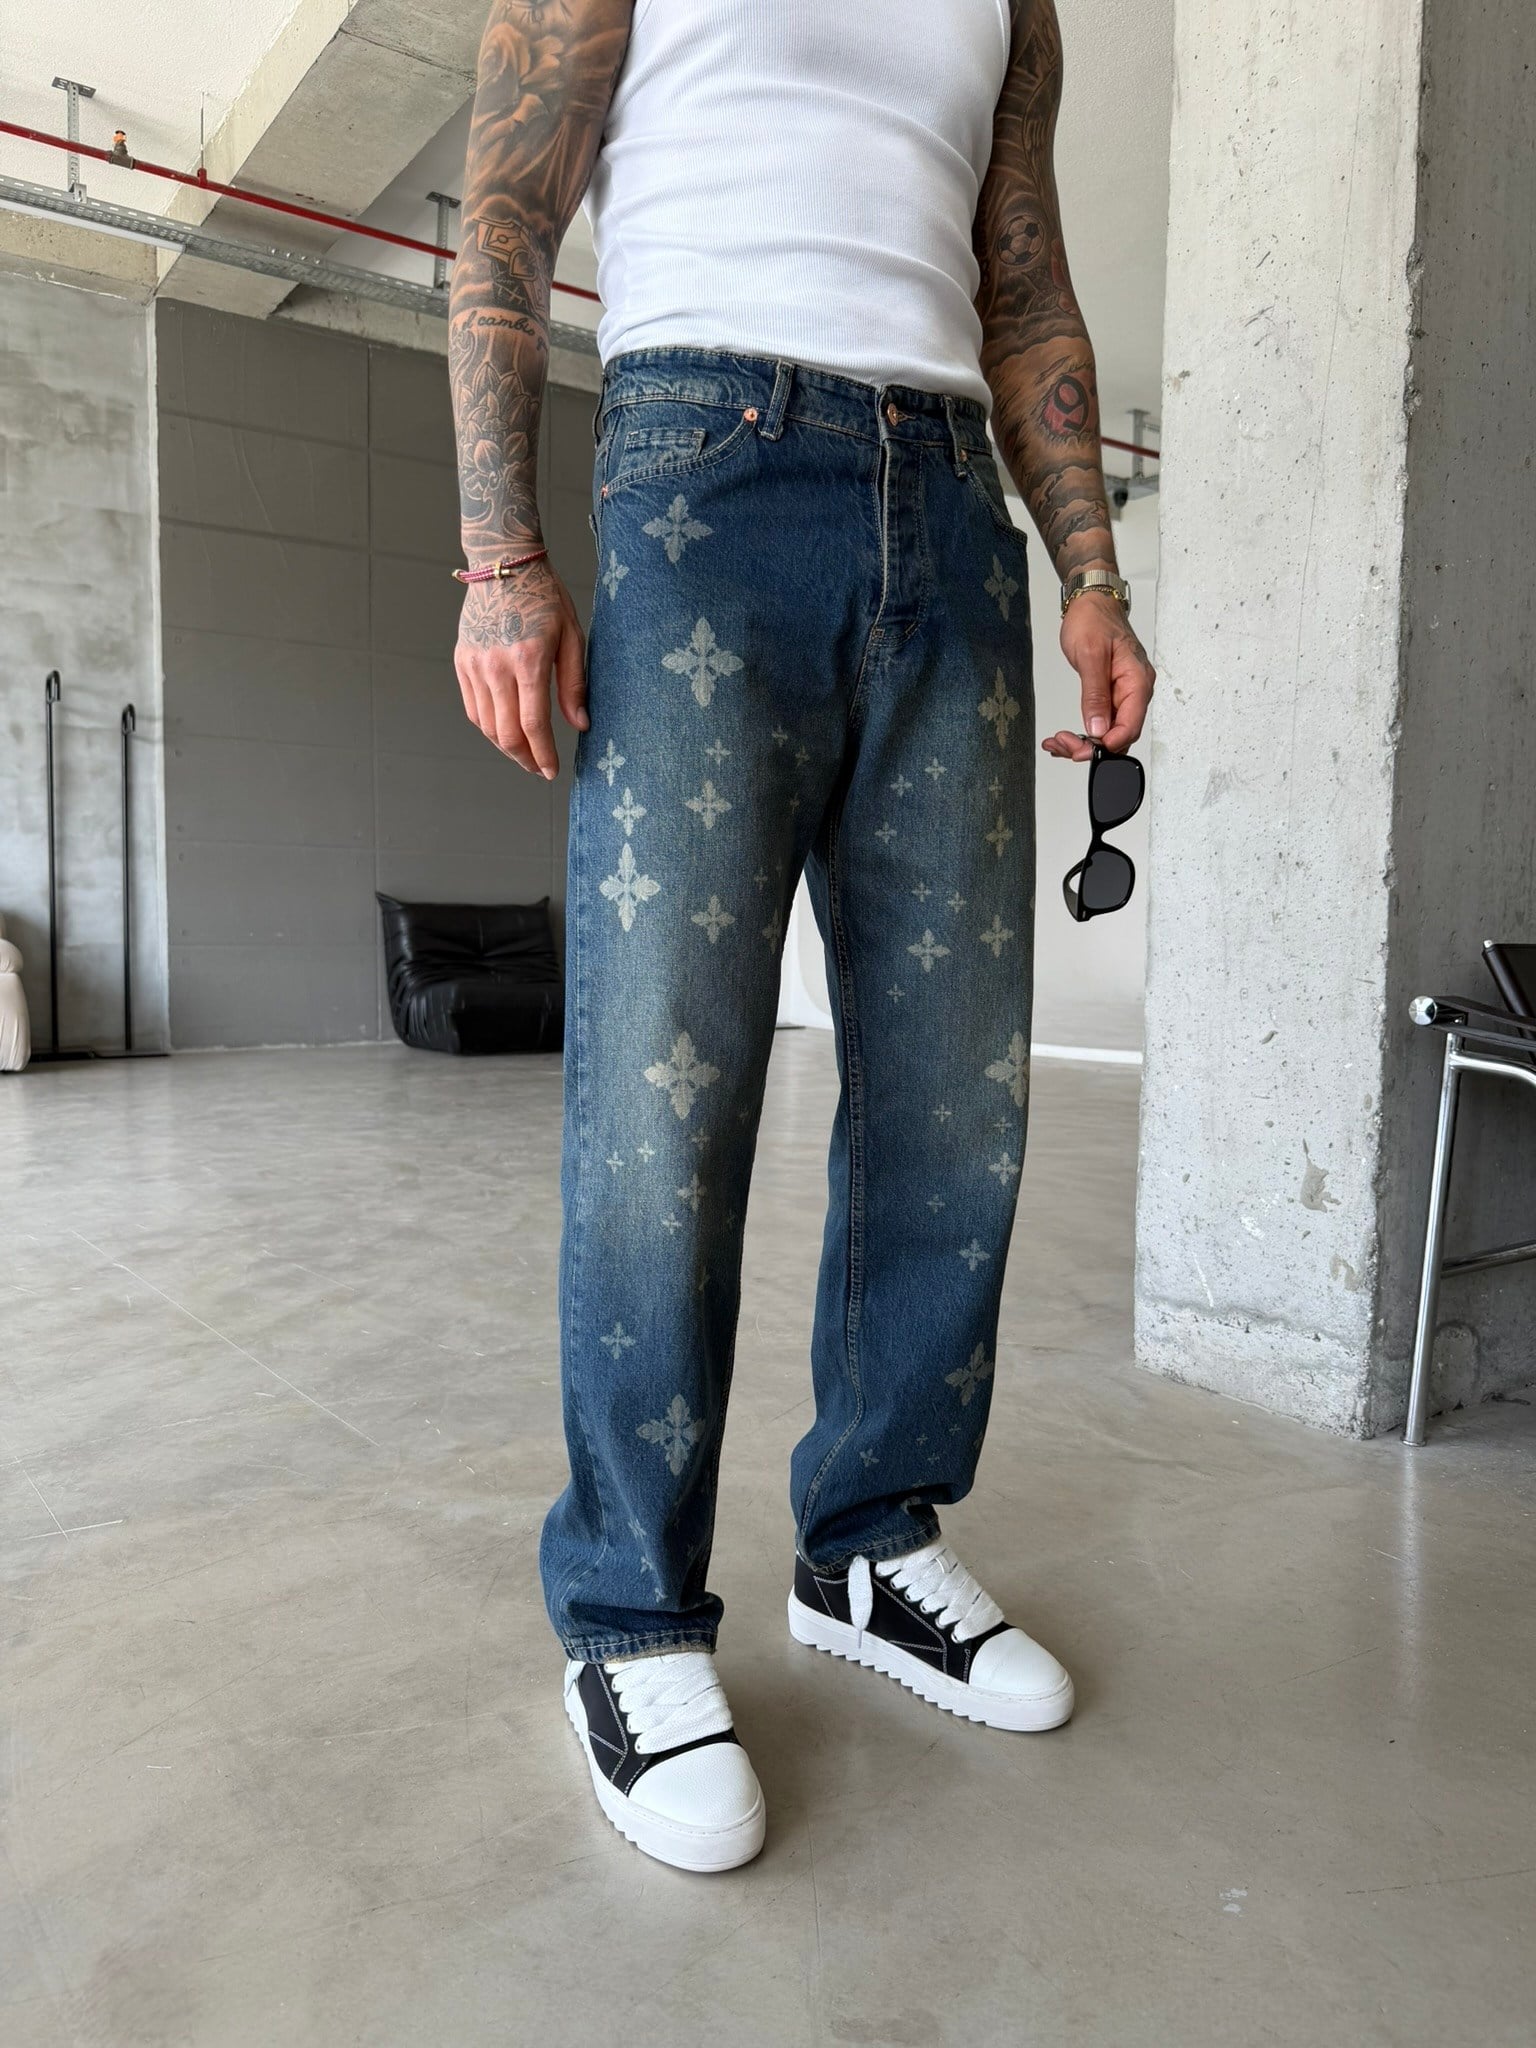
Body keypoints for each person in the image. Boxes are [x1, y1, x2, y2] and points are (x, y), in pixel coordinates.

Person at [449, 0, 1155, 1874]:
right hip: (705, 469)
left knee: (953, 1091)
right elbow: (504, 217)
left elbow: (1025, 284)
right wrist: (503, 559)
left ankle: (872, 1540)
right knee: (664, 1093)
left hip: (955, 512)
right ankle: (630, 1610)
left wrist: (1091, 568)